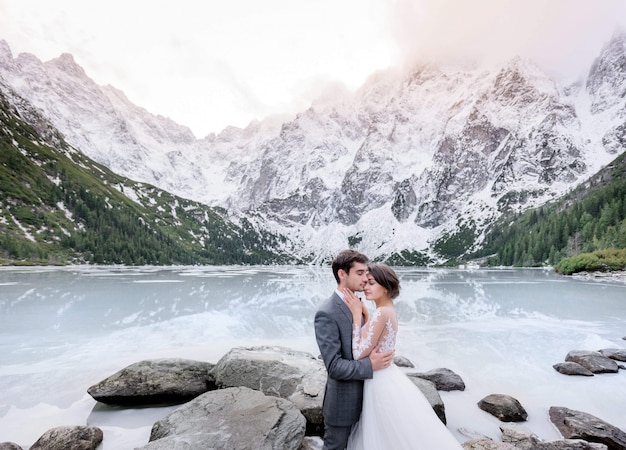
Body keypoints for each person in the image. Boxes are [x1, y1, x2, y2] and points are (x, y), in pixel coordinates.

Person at [343, 263, 463, 450]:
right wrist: (366, 313)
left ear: (386, 287)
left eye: (371, 283)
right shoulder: (388, 310)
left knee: (383, 433)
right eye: (365, 282)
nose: (365, 286)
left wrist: (357, 316)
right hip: (389, 374)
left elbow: (358, 353)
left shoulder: (381, 313)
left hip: (379, 380)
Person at [314, 250, 395, 450]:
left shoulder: (361, 305)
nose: (365, 279)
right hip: (344, 404)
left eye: (366, 273)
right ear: (342, 274)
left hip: (372, 400)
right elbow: (334, 366)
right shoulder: (327, 312)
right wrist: (370, 364)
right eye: (359, 273)